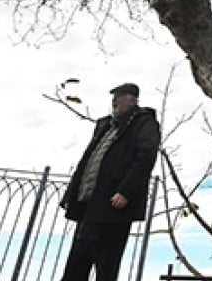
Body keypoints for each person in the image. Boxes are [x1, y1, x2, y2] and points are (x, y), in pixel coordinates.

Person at [59, 83, 161, 281]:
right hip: (89, 204)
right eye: (114, 98)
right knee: (77, 263)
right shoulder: (104, 125)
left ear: (132, 101)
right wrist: (71, 194)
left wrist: (125, 191)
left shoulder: (144, 123)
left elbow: (145, 158)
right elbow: (86, 160)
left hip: (114, 206)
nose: (114, 102)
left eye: (120, 97)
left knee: (106, 265)